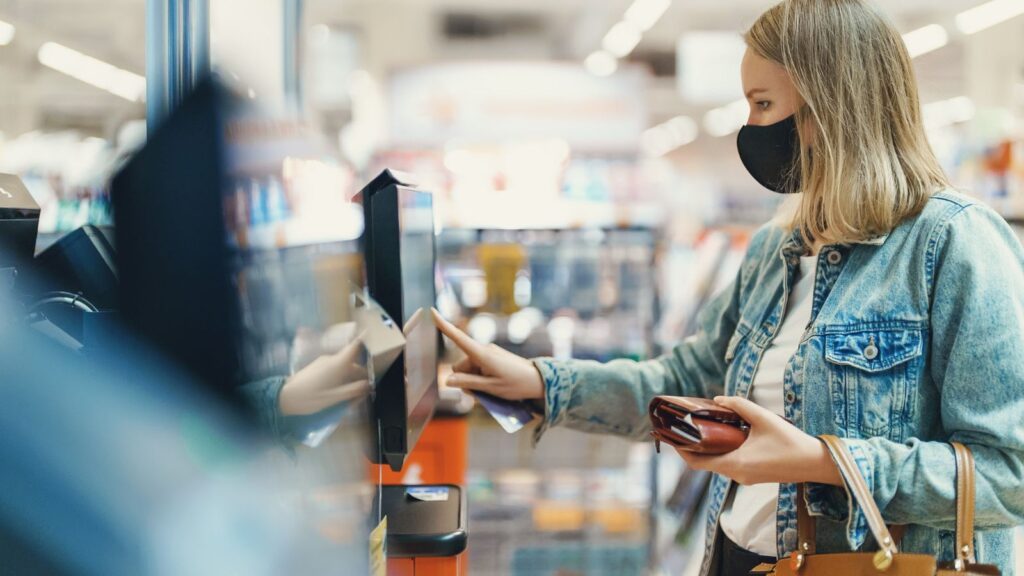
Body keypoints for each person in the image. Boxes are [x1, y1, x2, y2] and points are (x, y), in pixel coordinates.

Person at [432, 0, 1024, 574]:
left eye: (764, 104)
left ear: (831, 106)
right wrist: (536, 382)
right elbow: (684, 382)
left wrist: (824, 463)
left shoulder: (954, 244)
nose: (751, 128)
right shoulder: (777, 249)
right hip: (738, 555)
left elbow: (1009, 473)